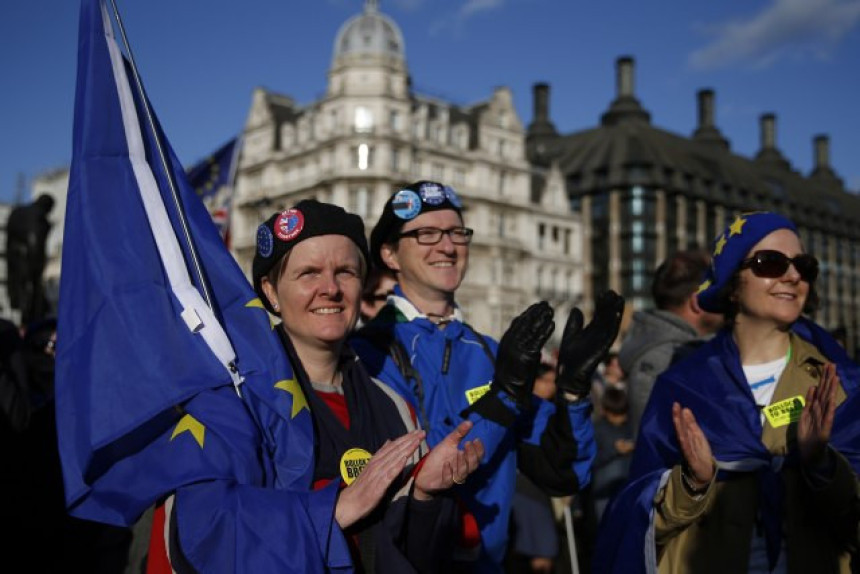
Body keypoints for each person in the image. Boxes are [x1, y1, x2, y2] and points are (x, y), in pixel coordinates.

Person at [149, 199, 486, 572]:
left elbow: (409, 555)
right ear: (271, 292)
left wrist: (425, 494)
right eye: (308, 273)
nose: (330, 288)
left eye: (345, 271)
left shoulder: (393, 404)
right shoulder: (228, 400)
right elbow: (194, 533)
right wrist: (331, 512)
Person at [351, 180, 625, 572]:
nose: (447, 246)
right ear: (390, 254)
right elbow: (430, 470)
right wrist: (507, 395)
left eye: (457, 233)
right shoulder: (369, 352)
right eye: (426, 234)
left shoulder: (491, 351)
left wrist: (573, 394)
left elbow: (563, 472)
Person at [595, 212, 860, 573]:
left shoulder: (842, 382)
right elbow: (639, 522)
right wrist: (692, 483)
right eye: (771, 263)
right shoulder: (683, 386)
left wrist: (822, 466)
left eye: (804, 265)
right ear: (733, 285)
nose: (793, 275)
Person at [618, 249, 723, 436]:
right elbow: (657, 443)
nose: (727, 301)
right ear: (697, 302)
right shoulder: (663, 359)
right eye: (718, 293)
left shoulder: (675, 350)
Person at [6, 194, 55, 325]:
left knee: (21, 293)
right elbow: (35, 240)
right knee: (31, 295)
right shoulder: (38, 217)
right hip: (28, 260)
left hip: (14, 259)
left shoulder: (18, 212)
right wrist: (37, 264)